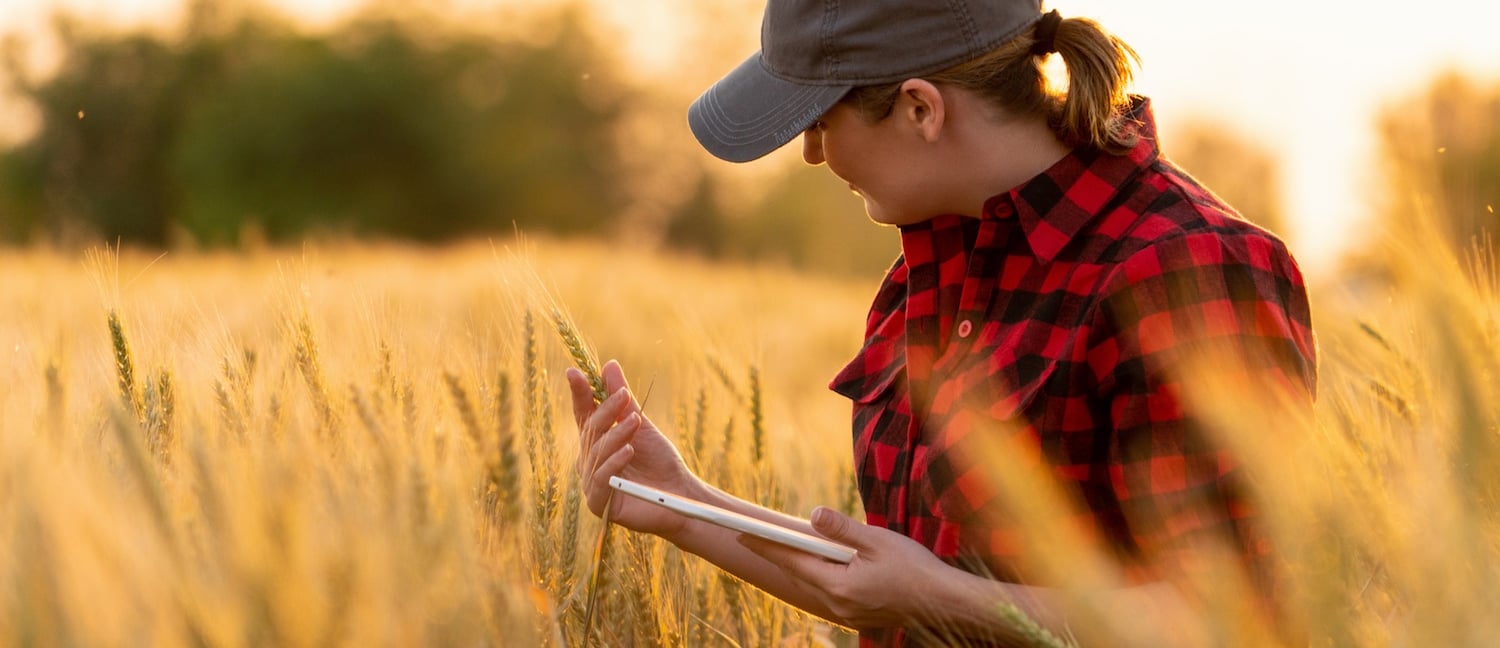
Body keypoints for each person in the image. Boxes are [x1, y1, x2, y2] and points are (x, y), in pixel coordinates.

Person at [567, 1, 1317, 645]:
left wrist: (939, 599)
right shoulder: (925, 278)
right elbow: (885, 585)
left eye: (821, 120)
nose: (810, 152)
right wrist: (678, 502)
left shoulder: (1183, 270)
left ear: (921, 108)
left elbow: (1234, 619)